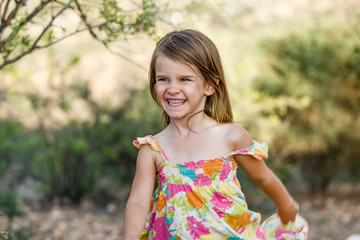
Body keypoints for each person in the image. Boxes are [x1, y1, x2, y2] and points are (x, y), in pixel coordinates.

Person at [123, 29, 308, 240]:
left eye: (184, 79)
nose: (172, 88)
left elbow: (263, 176)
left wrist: (287, 206)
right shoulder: (153, 149)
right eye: (163, 79)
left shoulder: (230, 136)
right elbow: (138, 202)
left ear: (210, 86)